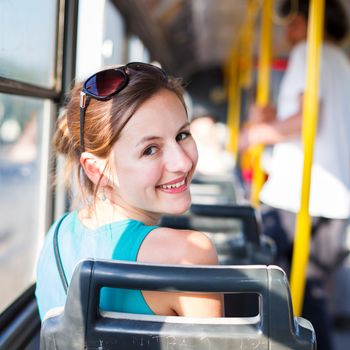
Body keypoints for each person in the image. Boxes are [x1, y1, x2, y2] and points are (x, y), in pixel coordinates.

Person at [35, 62, 223, 320]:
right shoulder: (189, 254)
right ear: (96, 169)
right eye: (150, 150)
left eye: (182, 135)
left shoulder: (55, 236)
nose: (183, 162)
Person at [238, 1, 350, 349]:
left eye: (291, 20)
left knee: (264, 287)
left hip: (298, 196)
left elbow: (306, 120)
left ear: (305, 19)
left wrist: (255, 133)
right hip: (335, 202)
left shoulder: (307, 52)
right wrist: (270, 118)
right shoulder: (342, 63)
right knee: (313, 301)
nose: (286, 31)